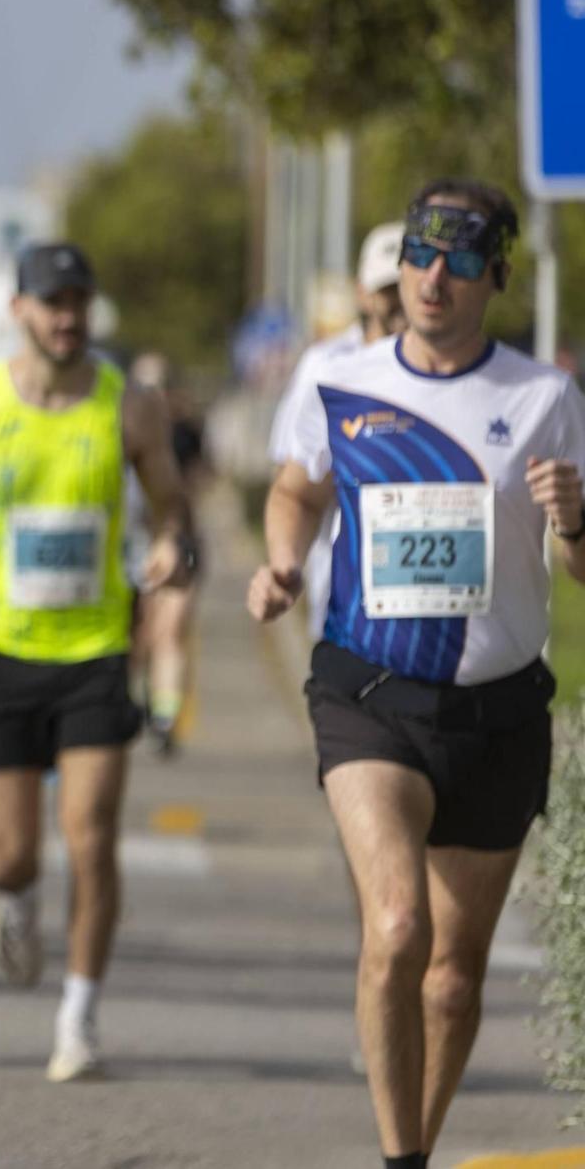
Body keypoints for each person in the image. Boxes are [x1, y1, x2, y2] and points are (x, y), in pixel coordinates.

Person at [250, 180, 584, 1169]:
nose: (433, 276)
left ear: (496, 277)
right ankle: (399, 1161)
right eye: (418, 253)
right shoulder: (343, 380)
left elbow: (579, 565)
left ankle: (417, 1146)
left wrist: (571, 515)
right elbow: (292, 487)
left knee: (450, 977)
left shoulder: (542, 398)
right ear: (398, 266)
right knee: (395, 925)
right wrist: (277, 560)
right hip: (367, 694)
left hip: (496, 711)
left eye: (459, 258)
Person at [0, 243, 191, 1082]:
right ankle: (15, 898)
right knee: (9, 854)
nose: (66, 316)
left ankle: (80, 1014)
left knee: (91, 838)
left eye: (78, 301)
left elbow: (170, 502)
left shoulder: (129, 405)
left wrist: (170, 546)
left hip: (94, 649)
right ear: (20, 310)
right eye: (49, 302)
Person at [271, 223, 412, 640]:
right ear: (363, 294)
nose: (399, 300)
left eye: (405, 285)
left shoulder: (445, 368)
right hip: (342, 596)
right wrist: (286, 559)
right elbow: (292, 476)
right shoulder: (327, 366)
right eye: (388, 289)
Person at [127, 351, 211, 756]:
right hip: (131, 547)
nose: (154, 394)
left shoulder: (185, 431)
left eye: (160, 383)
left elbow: (202, 480)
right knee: (141, 636)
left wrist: (176, 513)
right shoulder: (121, 427)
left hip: (180, 543)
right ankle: (137, 704)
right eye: (145, 385)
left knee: (171, 630)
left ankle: (165, 717)